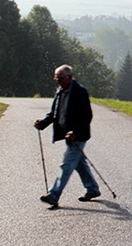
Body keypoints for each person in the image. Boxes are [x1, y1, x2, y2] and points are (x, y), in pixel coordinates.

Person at [34, 64, 100, 208]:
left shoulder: (80, 92)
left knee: (67, 164)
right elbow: (54, 113)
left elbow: (86, 116)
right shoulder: (60, 91)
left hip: (78, 135)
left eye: (60, 79)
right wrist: (43, 123)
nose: (58, 82)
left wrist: (75, 132)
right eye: (56, 79)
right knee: (78, 163)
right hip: (66, 135)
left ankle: (54, 194)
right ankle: (93, 189)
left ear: (70, 77)